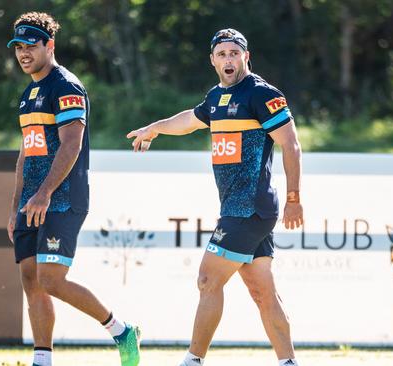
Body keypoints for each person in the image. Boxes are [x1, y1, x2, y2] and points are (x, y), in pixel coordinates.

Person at [127, 28, 303, 366]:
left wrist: (294, 197)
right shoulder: (215, 98)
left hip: (249, 207)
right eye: (222, 54)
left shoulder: (261, 94)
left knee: (208, 279)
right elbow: (189, 122)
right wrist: (154, 128)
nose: (228, 59)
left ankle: (193, 361)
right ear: (212, 60)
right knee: (263, 293)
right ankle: (288, 362)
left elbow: (291, 145)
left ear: (246, 57)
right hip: (238, 208)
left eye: (234, 53)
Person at [5, 12, 140, 366]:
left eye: (31, 45)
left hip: (61, 198)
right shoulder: (27, 93)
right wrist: (16, 205)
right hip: (31, 202)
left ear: (50, 45)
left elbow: (71, 145)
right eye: (18, 46)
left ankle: (120, 330)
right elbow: (25, 154)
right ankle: (42, 359)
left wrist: (44, 193)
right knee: (31, 279)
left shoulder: (65, 85)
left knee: (50, 279)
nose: (23, 53)